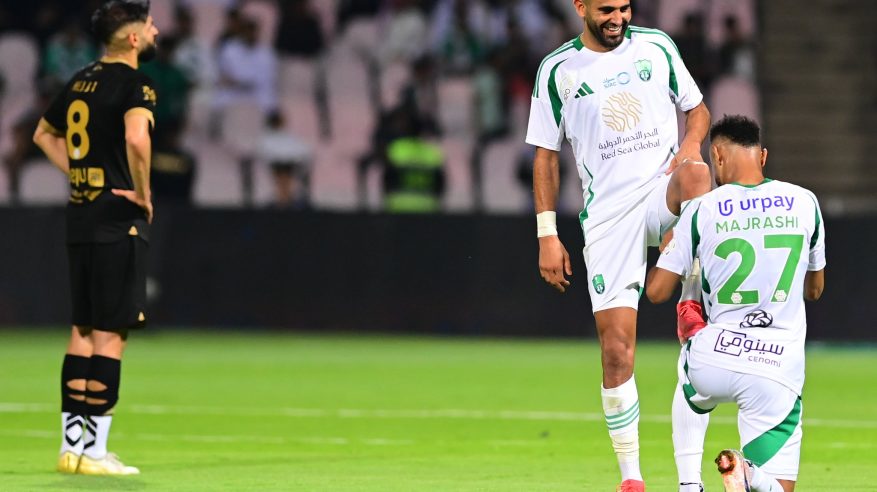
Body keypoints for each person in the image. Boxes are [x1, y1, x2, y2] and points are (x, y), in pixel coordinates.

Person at [525, 1, 712, 490]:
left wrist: (690, 145)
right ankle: (631, 479)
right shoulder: (558, 70)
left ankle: (690, 299)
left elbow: (697, 110)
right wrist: (547, 234)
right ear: (580, 7)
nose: (618, 18)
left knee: (697, 174)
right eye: (607, 9)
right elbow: (545, 155)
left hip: (661, 190)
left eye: (625, 7)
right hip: (608, 218)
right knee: (615, 351)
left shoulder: (656, 46)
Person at [646, 115, 826, 492]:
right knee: (778, 488)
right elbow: (814, 290)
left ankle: (689, 484)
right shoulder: (805, 202)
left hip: (717, 355)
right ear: (762, 156)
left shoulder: (702, 210)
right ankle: (750, 474)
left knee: (689, 374)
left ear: (717, 156)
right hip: (777, 367)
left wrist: (678, 253)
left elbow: (657, 292)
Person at [32, 0, 159, 476]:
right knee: (111, 335)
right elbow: (137, 139)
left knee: (82, 330)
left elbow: (43, 134)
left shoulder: (81, 79)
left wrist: (80, 175)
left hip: (81, 214)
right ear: (133, 37)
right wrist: (142, 193)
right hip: (116, 218)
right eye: (150, 25)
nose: (156, 31)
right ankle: (96, 452)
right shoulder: (137, 84)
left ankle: (71, 449)